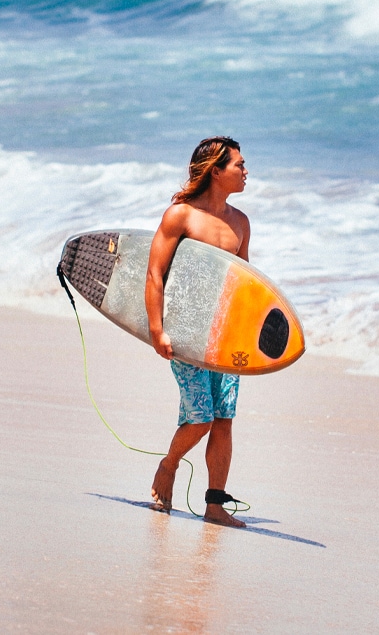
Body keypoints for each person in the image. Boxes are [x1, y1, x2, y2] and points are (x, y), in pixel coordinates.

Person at [146, 136, 250, 528]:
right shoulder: (181, 216)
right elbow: (155, 274)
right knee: (201, 418)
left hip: (224, 336)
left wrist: (246, 339)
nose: (245, 171)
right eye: (239, 164)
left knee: (223, 419)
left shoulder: (240, 223)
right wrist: (158, 330)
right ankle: (168, 466)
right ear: (215, 170)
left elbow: (243, 286)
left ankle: (215, 504)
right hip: (186, 333)